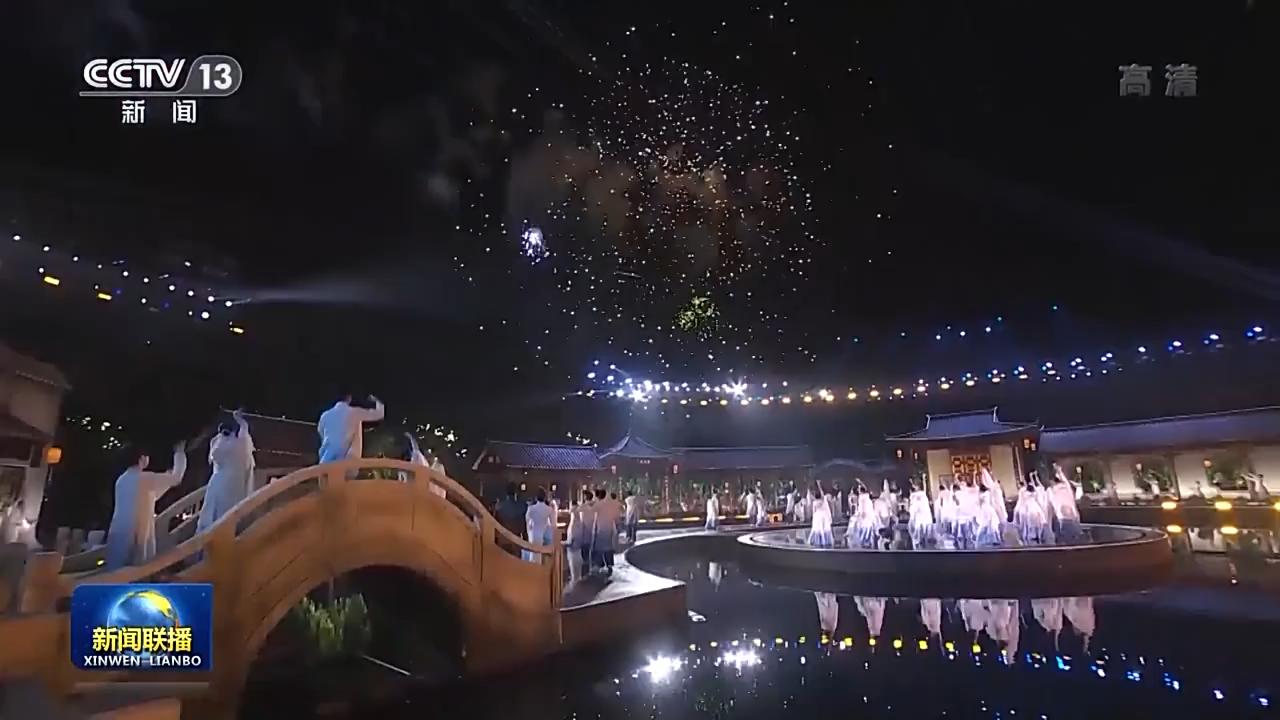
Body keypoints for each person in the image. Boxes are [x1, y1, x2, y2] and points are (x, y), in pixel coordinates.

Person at [105, 443, 189, 570]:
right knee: (137, 569)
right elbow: (176, 479)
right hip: (136, 531)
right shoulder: (143, 477)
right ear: (141, 458)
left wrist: (166, 478)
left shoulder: (122, 479)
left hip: (119, 530)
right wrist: (179, 453)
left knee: (116, 568)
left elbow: (151, 496)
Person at [196, 411, 254, 534]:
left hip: (218, 482)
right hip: (234, 486)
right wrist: (240, 420)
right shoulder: (240, 445)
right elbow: (244, 432)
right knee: (227, 512)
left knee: (213, 511)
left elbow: (214, 455)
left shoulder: (218, 444)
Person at [317, 394, 385, 464]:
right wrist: (378, 400)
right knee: (356, 423)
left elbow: (321, 433)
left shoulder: (325, 415)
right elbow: (379, 414)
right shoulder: (353, 412)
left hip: (325, 460)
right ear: (349, 398)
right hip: (346, 462)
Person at [405, 432, 448, 498]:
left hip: (434, 497)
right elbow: (416, 451)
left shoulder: (439, 467)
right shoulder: (421, 460)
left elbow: (442, 488)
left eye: (431, 451)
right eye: (426, 450)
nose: (428, 453)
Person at [592, 488, 622, 576]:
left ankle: (600, 564)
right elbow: (616, 516)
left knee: (599, 548)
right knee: (608, 547)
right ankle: (609, 565)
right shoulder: (610, 504)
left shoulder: (598, 505)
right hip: (609, 528)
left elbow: (592, 513)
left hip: (600, 529)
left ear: (598, 496)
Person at [523, 488, 555, 563]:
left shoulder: (531, 508)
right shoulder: (549, 509)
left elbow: (527, 519)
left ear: (536, 498)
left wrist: (528, 530)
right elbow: (553, 524)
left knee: (533, 554)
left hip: (533, 533)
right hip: (543, 532)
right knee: (539, 554)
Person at [906, 481, 934, 549]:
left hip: (918, 521)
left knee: (917, 540)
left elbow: (912, 510)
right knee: (925, 540)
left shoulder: (914, 496)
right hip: (926, 520)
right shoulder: (923, 496)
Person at [576, 489, 597, 572]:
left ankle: (587, 566)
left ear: (585, 497)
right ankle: (592, 565)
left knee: (585, 548)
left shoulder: (582, 507)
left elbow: (575, 512)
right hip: (594, 529)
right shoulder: (595, 506)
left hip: (584, 530)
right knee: (593, 548)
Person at [808, 483, 834, 547]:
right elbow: (822, 495)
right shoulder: (823, 501)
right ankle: (825, 541)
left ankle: (817, 541)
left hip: (817, 516)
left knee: (818, 528)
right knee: (824, 528)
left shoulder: (815, 503)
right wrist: (819, 485)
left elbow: (814, 511)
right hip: (823, 516)